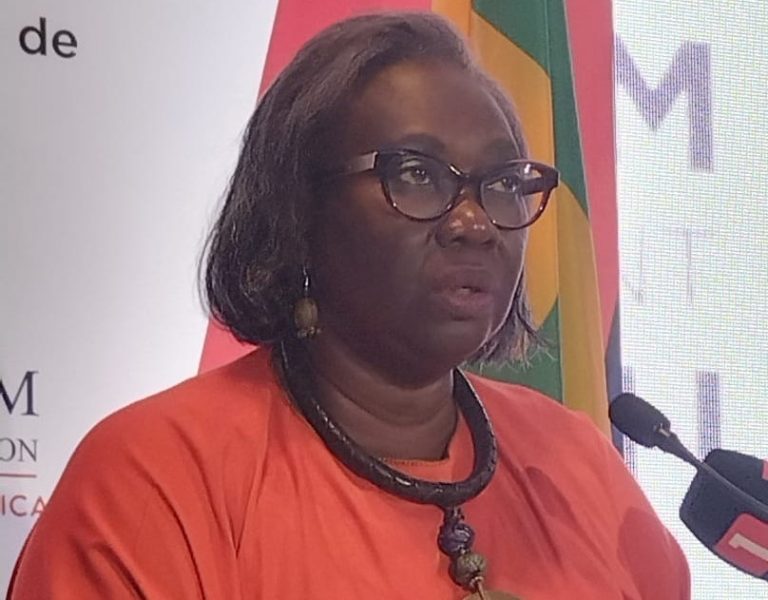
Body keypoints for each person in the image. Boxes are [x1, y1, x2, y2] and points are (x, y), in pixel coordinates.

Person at [8, 12, 690, 600]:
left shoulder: (577, 465)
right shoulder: (153, 480)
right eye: (417, 174)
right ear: (299, 210)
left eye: (504, 184)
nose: (475, 223)